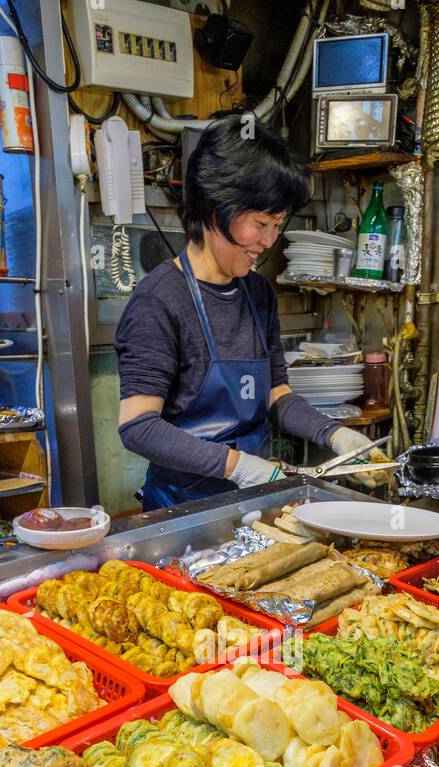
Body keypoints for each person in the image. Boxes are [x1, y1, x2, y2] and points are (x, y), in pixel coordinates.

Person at [115, 114, 375, 510]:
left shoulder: (258, 293)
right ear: (214, 206)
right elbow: (139, 427)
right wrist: (238, 466)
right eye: (260, 223)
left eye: (278, 224)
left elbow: (276, 392)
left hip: (257, 497)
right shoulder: (159, 302)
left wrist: (334, 435)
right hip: (184, 507)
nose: (269, 241)